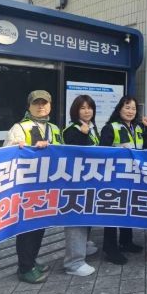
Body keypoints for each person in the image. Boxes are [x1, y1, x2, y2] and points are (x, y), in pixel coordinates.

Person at [4, 90, 62, 284]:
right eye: (36, 103)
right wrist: (18, 146)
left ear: (50, 106)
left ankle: (32, 260)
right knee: (27, 228)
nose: (41, 106)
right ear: (29, 106)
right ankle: (25, 267)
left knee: (39, 227)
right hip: (27, 189)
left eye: (44, 103)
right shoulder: (19, 127)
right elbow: (8, 154)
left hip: (48, 186)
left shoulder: (54, 128)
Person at [99, 95, 147, 264]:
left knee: (128, 209)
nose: (130, 111)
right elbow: (102, 151)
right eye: (127, 107)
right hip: (115, 176)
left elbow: (145, 146)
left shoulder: (137, 127)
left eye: (133, 108)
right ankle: (110, 249)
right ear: (119, 109)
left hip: (132, 176)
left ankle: (126, 242)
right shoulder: (110, 127)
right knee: (113, 212)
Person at [61, 94, 101, 277]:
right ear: (75, 111)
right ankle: (73, 263)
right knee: (76, 218)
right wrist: (83, 135)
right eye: (83, 108)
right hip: (76, 183)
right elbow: (78, 154)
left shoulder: (92, 127)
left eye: (90, 107)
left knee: (87, 215)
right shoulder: (72, 130)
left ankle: (84, 245)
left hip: (90, 180)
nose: (87, 111)